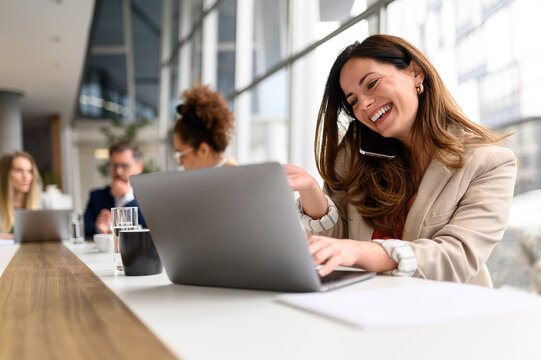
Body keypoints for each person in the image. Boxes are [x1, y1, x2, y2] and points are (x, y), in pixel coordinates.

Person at [285, 34, 517, 283]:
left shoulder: (490, 162)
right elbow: (335, 245)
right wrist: (310, 191)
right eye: (353, 100)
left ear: (415, 72)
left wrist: (363, 252)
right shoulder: (356, 150)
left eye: (372, 84)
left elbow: (456, 257)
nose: (363, 104)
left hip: (439, 311)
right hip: (361, 305)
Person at [84, 140, 147, 239]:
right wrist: (98, 229)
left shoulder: (149, 196)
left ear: (139, 167)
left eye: (124, 166)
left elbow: (150, 229)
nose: (118, 171)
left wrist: (127, 198)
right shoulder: (97, 196)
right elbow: (84, 229)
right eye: (114, 165)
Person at [173, 85, 236, 169]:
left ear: (203, 150)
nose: (180, 164)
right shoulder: (237, 177)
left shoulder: (229, 180)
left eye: (181, 155)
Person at [0, 151, 42, 239]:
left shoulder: (43, 202)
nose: (26, 176)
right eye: (19, 171)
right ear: (5, 174)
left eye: (29, 171)